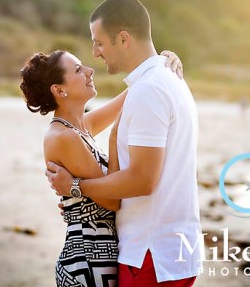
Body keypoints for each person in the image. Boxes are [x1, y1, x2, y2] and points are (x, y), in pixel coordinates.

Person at [46, 0, 201, 287]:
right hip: (170, 251)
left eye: (99, 43)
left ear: (123, 38)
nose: (95, 54)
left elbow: (142, 180)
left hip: (150, 253)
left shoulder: (150, 89)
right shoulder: (165, 80)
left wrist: (75, 188)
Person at [20, 47, 182, 287]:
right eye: (78, 69)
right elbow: (112, 201)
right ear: (59, 90)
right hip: (87, 261)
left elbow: (133, 93)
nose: (89, 71)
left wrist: (159, 64)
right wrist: (114, 141)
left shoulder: (79, 127)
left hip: (100, 254)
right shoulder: (64, 136)